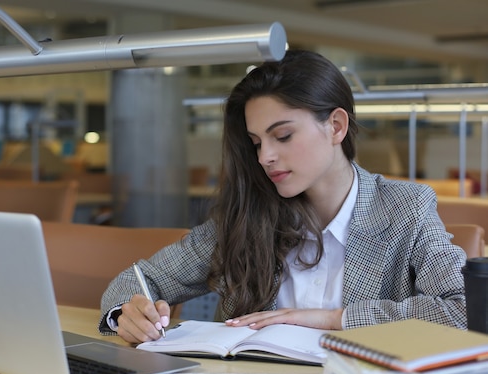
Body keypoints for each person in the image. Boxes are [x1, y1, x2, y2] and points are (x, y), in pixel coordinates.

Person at [99, 49, 467, 343]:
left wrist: (328, 320)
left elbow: (465, 310)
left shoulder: (406, 208)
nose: (264, 157)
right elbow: (140, 278)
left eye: (283, 136)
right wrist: (126, 314)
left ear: (336, 126)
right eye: (256, 142)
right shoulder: (248, 215)